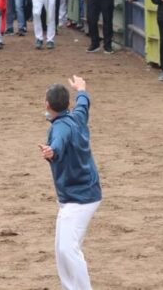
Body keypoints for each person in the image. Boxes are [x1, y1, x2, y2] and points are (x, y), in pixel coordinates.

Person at [38, 75, 102, 290]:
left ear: (47, 104)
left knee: (67, 249)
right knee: (63, 247)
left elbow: (58, 142)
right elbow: (84, 103)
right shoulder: (77, 116)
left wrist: (51, 150)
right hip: (83, 194)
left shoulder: (60, 128)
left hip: (78, 198)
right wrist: (81, 89)